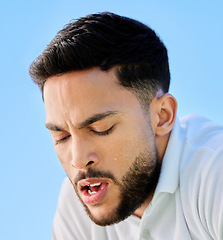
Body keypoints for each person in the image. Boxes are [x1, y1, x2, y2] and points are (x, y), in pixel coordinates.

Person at [29, 12, 223, 240]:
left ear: (162, 116)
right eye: (62, 136)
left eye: (101, 128)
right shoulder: (76, 208)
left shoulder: (214, 171)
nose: (78, 160)